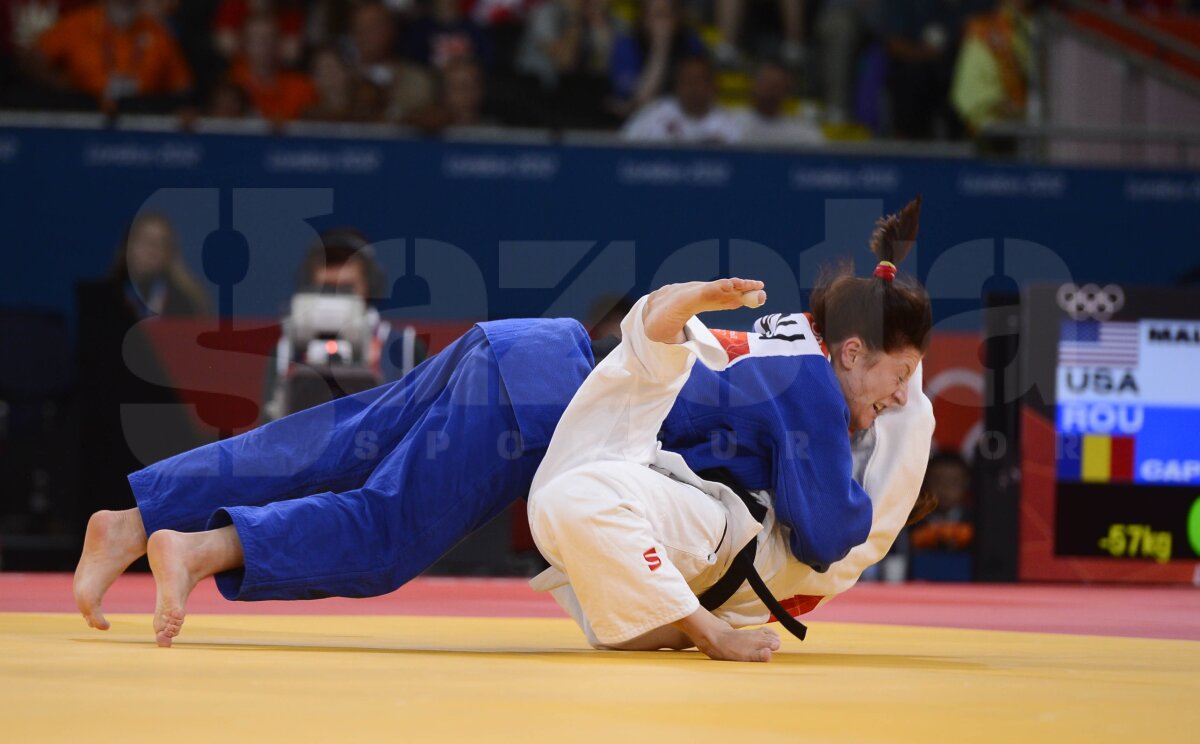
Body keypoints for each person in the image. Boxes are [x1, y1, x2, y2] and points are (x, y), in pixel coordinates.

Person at [74, 199, 932, 656]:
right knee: (383, 534)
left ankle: (137, 518)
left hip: (524, 347)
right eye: (896, 378)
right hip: (532, 417)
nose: (895, 401)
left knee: (332, 439)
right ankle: (198, 549)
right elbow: (824, 536)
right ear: (854, 351)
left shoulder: (787, 332)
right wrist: (877, 486)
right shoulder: (817, 394)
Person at [28, 0, 191, 108]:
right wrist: (64, 87)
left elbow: (181, 87)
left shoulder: (157, 33)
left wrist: (178, 109)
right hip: (83, 111)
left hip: (139, 118)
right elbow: (32, 59)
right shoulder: (79, 23)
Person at [622, 55, 742, 144]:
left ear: (713, 86)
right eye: (687, 82)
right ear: (676, 86)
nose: (693, 88)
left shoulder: (730, 124)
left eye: (698, 81)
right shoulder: (654, 113)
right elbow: (624, 147)